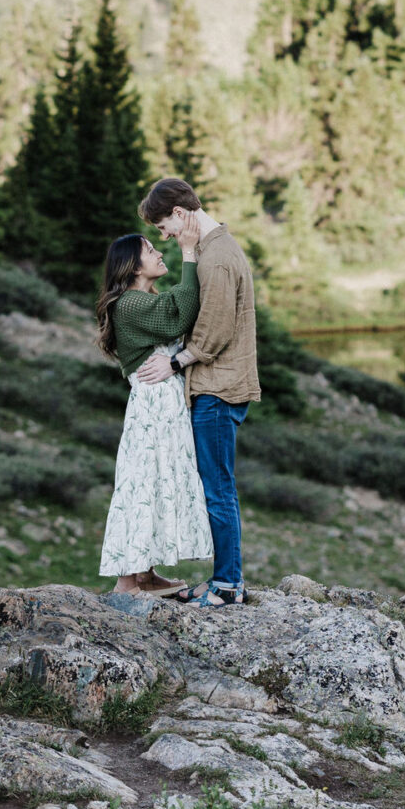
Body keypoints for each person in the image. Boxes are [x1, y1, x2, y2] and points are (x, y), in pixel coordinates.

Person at [140, 175, 259, 606]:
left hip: (217, 389)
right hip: (217, 387)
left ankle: (228, 585)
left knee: (218, 489)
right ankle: (224, 579)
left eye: (163, 227)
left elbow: (214, 331)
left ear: (178, 213)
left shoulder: (217, 258)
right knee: (216, 485)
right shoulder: (213, 250)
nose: (165, 237)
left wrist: (174, 362)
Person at [94, 210, 214, 597]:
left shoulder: (141, 299)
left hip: (162, 407)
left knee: (155, 482)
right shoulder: (129, 304)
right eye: (150, 250)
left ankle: (143, 574)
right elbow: (176, 315)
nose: (159, 253)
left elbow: (172, 310)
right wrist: (190, 254)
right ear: (132, 266)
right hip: (152, 410)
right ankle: (129, 580)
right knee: (144, 483)